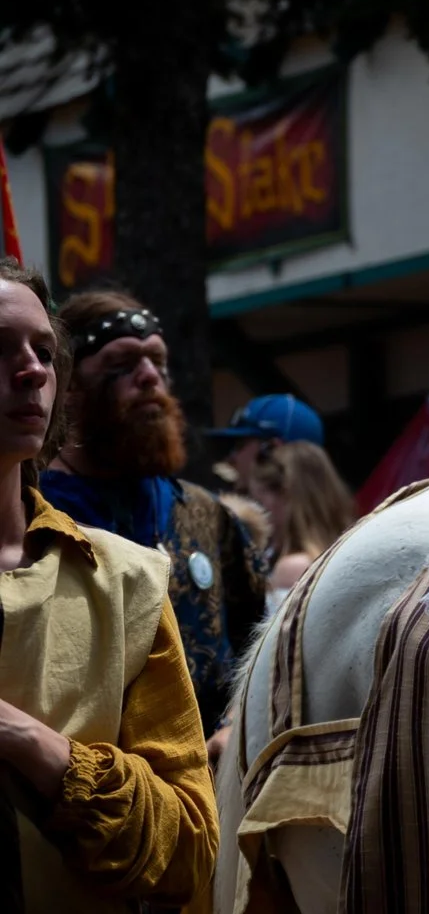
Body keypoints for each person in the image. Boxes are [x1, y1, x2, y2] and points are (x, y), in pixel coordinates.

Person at [0, 258, 221, 914]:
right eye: (0, 349)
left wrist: (29, 741)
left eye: (41, 351)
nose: (29, 371)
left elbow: (190, 848)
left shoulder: (138, 567)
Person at [39, 289, 267, 754]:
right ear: (70, 388)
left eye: (157, 363)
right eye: (121, 365)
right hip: (86, 791)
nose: (149, 378)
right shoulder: (31, 514)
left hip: (211, 791)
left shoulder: (206, 516)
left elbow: (260, 648)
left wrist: (234, 726)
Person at [244, 436, 358, 597]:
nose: (256, 512)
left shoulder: (293, 568)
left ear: (285, 495)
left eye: (259, 502)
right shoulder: (352, 553)